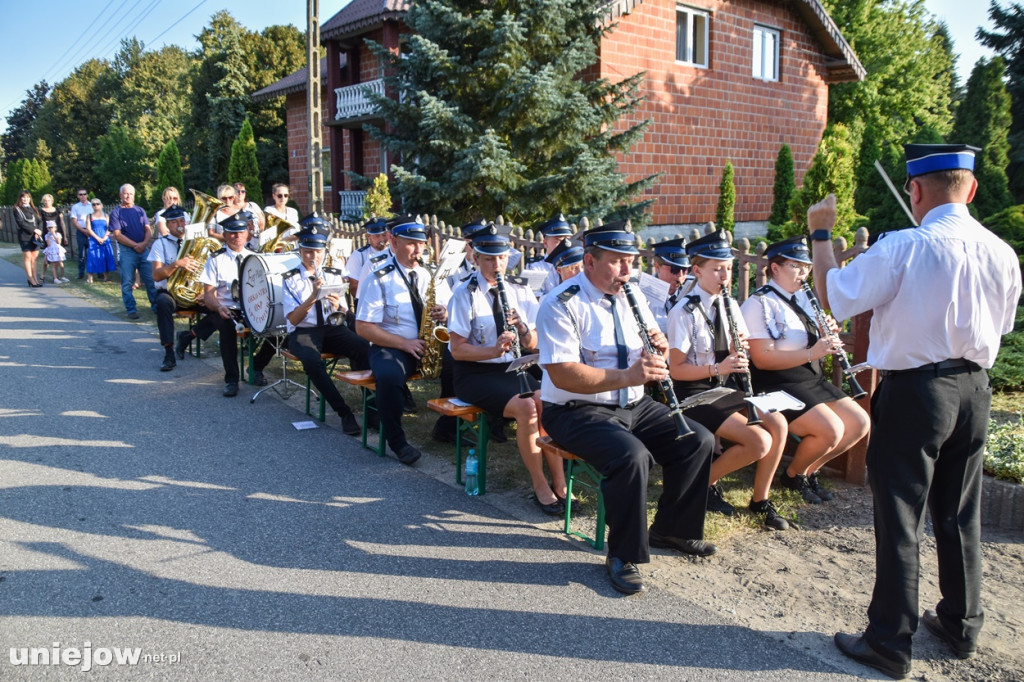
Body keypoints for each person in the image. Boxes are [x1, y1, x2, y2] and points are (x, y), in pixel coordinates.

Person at [810, 144, 1021, 680]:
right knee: (958, 511)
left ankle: (888, 640)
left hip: (917, 392)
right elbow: (1000, 329)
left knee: (900, 515)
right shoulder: (1002, 251)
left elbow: (836, 298)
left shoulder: (904, 245)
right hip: (975, 389)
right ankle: (961, 621)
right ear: (970, 189)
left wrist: (819, 235)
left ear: (917, 191)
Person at [536, 221, 716, 595]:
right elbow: (564, 373)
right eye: (617, 262)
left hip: (633, 403)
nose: (627, 271)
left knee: (698, 440)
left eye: (631, 261)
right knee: (631, 456)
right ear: (589, 260)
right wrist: (629, 375)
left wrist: (660, 348)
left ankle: (673, 529)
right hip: (575, 409)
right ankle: (622, 555)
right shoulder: (560, 303)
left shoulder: (632, 295)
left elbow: (650, 351)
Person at [666, 231, 789, 530]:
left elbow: (734, 351)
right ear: (697, 270)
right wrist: (717, 367)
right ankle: (703, 485)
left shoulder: (730, 305)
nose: (725, 275)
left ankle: (760, 499)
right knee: (759, 441)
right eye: (718, 269)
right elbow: (676, 370)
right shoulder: (684, 312)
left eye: (729, 269)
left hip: (724, 387)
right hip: (694, 392)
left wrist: (737, 351)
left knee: (779, 424)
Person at [448, 224, 569, 514]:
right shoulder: (464, 293)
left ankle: (561, 483)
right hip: (474, 373)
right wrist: (492, 350)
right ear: (476, 258)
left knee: (545, 401)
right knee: (527, 408)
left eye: (501, 258)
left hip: (513, 369)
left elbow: (536, 342)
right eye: (489, 259)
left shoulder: (520, 290)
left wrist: (524, 330)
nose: (496, 265)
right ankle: (540, 485)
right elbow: (457, 349)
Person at [740, 236, 870, 504]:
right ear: (775, 268)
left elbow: (812, 339)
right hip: (776, 382)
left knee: (859, 424)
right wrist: (813, 352)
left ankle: (808, 473)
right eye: (796, 266)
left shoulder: (804, 298)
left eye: (807, 267)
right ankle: (792, 475)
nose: (804, 272)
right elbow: (762, 360)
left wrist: (825, 331)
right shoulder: (759, 303)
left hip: (809, 378)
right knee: (831, 430)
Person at [355, 216, 451, 465]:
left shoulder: (428, 274)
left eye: (421, 244)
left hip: (427, 344)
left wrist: (445, 312)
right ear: (393, 241)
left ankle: (447, 426)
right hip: (391, 346)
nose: (418, 250)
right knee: (389, 376)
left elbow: (446, 305)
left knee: (460, 365)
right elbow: (363, 327)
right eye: (411, 244)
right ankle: (396, 441)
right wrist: (403, 344)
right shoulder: (379, 277)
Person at [282, 216, 370, 436]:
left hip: (332, 328)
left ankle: (371, 410)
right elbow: (292, 319)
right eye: (309, 252)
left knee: (362, 347)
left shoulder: (333, 273)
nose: (315, 257)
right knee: (311, 361)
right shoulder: (290, 278)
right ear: (300, 251)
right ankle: (344, 413)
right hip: (304, 331)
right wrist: (313, 296)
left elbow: (345, 311)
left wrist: (339, 305)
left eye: (319, 252)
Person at [186, 212, 277, 396]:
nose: (237, 237)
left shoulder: (257, 258)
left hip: (252, 307)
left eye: (241, 232)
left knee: (279, 327)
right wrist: (218, 307)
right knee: (227, 329)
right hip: (225, 309)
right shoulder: (215, 259)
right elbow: (209, 294)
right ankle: (232, 379)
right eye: (232, 233)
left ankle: (256, 367)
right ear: (225, 235)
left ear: (247, 234)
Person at [148, 204, 200, 372]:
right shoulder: (160, 244)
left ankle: (187, 336)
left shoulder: (195, 243)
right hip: (170, 292)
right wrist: (177, 264)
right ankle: (169, 352)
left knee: (219, 308)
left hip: (192, 292)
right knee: (162, 302)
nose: (180, 224)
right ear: (168, 225)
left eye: (182, 220)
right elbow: (156, 275)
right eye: (175, 222)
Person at [109, 183, 157, 319]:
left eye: (131, 193)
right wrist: (136, 245)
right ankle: (131, 309)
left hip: (144, 250)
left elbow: (148, 229)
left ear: (134, 195)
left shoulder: (140, 210)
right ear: (120, 195)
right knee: (127, 282)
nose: (128, 196)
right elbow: (117, 234)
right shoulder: (116, 213)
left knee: (151, 280)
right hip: (127, 251)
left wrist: (144, 244)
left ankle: (155, 306)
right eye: (125, 193)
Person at [647, 237, 693, 331]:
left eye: (685, 270)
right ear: (657, 267)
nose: (680, 276)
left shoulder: (694, 288)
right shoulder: (643, 295)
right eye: (674, 269)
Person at [523, 214, 573, 296]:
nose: (565, 245)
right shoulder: (536, 267)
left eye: (567, 240)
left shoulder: (576, 265)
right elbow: (534, 298)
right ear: (546, 243)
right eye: (559, 241)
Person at [346, 217, 391, 300]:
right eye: (377, 236)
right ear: (368, 236)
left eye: (384, 235)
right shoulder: (359, 255)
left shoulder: (394, 253)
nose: (381, 239)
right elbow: (354, 288)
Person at [13, 190, 43, 287]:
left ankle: (35, 278)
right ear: (20, 198)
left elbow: (40, 221)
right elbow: (21, 223)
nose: (25, 199)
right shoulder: (17, 209)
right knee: (28, 258)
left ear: (30, 198)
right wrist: (34, 230)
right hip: (25, 236)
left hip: (35, 236)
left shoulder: (33, 208)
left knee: (34, 258)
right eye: (23, 197)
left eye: (27, 197)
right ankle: (30, 279)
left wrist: (39, 231)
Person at [85, 198, 117, 283]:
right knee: (92, 256)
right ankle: (90, 278)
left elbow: (109, 228)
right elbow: (88, 228)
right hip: (94, 239)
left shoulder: (106, 216)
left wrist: (104, 238)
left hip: (105, 238)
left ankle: (106, 277)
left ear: (101, 205)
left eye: (97, 204)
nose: (96, 206)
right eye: (93, 204)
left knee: (106, 256)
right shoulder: (89, 216)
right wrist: (97, 238)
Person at [233, 182, 266, 251]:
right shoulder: (231, 208)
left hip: (257, 240)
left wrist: (260, 233)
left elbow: (262, 221)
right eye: (237, 191)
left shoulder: (253, 205)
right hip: (241, 243)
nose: (240, 193)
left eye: (243, 191)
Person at [70, 188, 93, 280]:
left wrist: (90, 231)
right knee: (82, 254)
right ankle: (81, 273)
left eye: (84, 194)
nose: (83, 196)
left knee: (93, 253)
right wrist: (84, 231)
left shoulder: (92, 205)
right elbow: (74, 221)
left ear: (87, 195)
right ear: (78, 196)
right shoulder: (75, 207)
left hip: (92, 232)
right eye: (80, 194)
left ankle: (98, 272)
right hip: (81, 231)